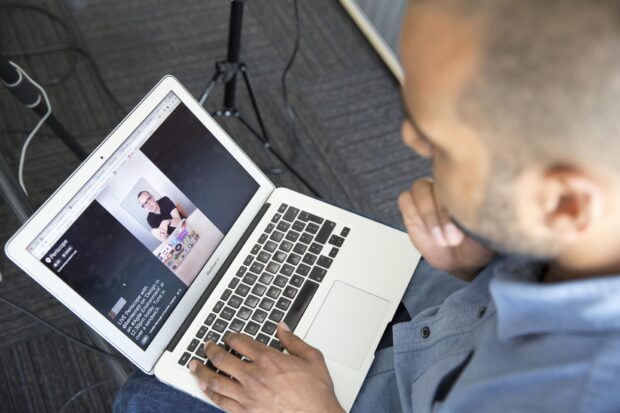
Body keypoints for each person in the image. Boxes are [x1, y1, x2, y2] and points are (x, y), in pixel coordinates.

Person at [115, 1, 620, 411]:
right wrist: (478, 268)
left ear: (563, 205)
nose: (409, 138)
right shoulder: (594, 224)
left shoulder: (564, 393)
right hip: (451, 321)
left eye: (440, 143)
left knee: (145, 397)